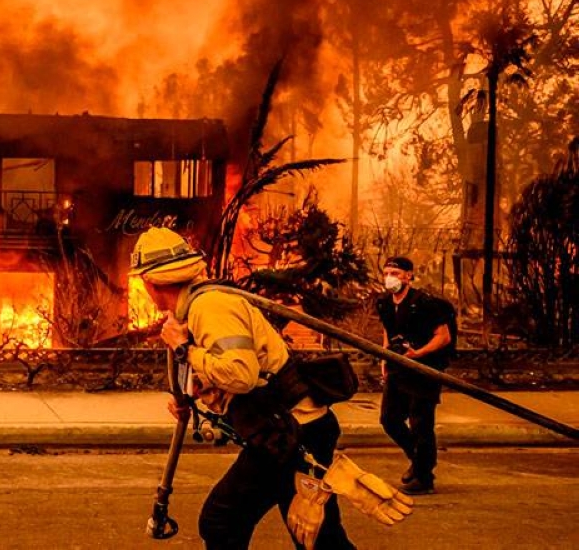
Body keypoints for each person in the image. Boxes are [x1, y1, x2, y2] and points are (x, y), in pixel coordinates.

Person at [130, 227, 354, 550]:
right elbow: (224, 369)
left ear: (149, 283)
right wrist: (191, 394)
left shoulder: (210, 307)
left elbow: (241, 374)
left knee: (222, 520)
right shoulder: (192, 308)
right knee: (317, 538)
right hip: (285, 432)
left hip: (292, 433)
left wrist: (183, 349)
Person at [375, 256, 456, 495]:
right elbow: (388, 333)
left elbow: (443, 336)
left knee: (421, 423)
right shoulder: (385, 303)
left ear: (409, 276)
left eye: (396, 274)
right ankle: (420, 463)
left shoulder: (425, 303)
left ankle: (423, 478)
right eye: (387, 273)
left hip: (425, 370)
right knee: (389, 420)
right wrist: (384, 357)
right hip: (398, 369)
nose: (390, 278)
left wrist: (418, 353)